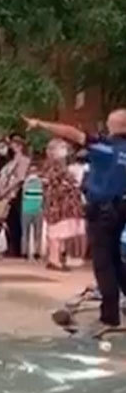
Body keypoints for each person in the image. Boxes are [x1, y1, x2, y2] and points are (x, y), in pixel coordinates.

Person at [26, 112, 126, 331]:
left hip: (103, 210)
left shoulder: (106, 148)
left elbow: (71, 133)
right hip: (120, 209)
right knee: (115, 260)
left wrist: (41, 123)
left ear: (113, 126)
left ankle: (109, 317)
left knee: (103, 263)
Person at [0, 134, 31, 257]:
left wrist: (7, 190)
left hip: (15, 193)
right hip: (6, 194)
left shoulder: (24, 160)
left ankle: (16, 249)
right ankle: (11, 246)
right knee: (8, 221)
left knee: (15, 221)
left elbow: (20, 178)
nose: (12, 148)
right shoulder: (11, 161)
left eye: (15, 145)